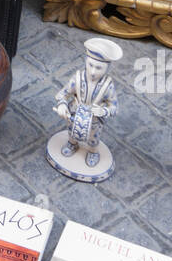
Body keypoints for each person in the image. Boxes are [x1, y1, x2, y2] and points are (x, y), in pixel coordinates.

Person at [52, 36, 123, 168]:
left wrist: (104, 111)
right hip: (74, 114)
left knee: (93, 139)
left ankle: (93, 152)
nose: (93, 71)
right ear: (85, 61)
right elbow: (63, 93)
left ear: (107, 68)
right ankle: (72, 144)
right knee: (72, 131)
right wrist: (62, 105)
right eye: (90, 65)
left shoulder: (108, 86)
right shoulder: (77, 78)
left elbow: (115, 107)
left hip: (94, 120)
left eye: (99, 68)